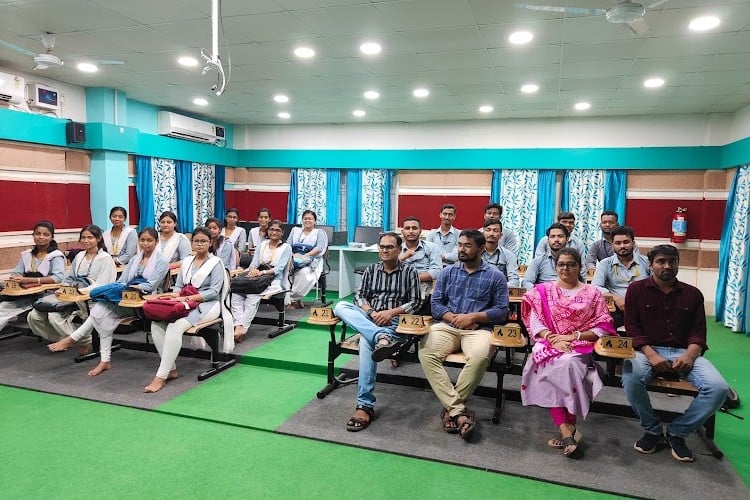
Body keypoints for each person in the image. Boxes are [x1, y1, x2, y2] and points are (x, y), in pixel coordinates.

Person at [622, 244, 729, 462]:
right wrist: (651, 355)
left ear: (678, 264)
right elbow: (632, 329)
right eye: (661, 261)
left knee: (718, 388)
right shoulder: (636, 290)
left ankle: (677, 432)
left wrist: (690, 355)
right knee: (631, 377)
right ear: (651, 265)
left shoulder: (693, 294)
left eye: (672, 261)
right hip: (646, 351)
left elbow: (699, 333)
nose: (667, 266)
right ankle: (652, 429)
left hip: (684, 351)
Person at [520, 248, 616, 458]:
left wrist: (573, 337)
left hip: (579, 344)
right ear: (555, 267)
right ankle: (567, 430)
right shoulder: (542, 291)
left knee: (568, 365)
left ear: (579, 267)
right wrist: (553, 338)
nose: (566, 268)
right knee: (547, 364)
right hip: (548, 342)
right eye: (561, 264)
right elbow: (534, 320)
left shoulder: (592, 293)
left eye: (571, 264)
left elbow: (603, 325)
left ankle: (567, 428)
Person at [419, 230, 508, 440]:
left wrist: (474, 317)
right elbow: (436, 304)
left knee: (479, 358)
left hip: (479, 330)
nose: (461, 249)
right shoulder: (447, 272)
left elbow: (502, 311)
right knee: (426, 353)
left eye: (467, 245)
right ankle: (458, 410)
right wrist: (453, 317)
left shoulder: (495, 276)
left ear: (481, 248)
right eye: (460, 245)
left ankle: (452, 410)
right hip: (447, 326)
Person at [47, 227, 169, 376]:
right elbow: (123, 280)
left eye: (150, 240)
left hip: (144, 301)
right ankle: (104, 361)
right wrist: (126, 287)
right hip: (125, 297)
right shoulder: (134, 259)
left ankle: (74, 339)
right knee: (99, 311)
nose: (146, 243)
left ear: (156, 242)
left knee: (103, 302)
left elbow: (150, 286)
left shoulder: (162, 262)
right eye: (142, 240)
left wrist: (130, 287)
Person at [333, 232, 421, 432]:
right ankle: (380, 336)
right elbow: (360, 297)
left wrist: (390, 313)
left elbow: (416, 302)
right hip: (371, 318)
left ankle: (364, 405)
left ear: (399, 250)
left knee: (366, 342)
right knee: (341, 307)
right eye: (382, 246)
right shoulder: (371, 270)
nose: (384, 250)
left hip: (396, 322)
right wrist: (372, 313)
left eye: (389, 247)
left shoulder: (410, 272)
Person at [144, 227, 229, 393]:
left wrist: (186, 298)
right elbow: (179, 285)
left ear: (210, 243)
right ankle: (171, 369)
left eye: (203, 241)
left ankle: (160, 376)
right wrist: (174, 295)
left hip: (208, 305)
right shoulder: (188, 261)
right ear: (192, 243)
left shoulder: (216, 263)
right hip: (185, 302)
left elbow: (213, 292)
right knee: (156, 324)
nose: (199, 244)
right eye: (196, 241)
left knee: (175, 326)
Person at [27, 225, 117, 351]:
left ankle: (83, 341)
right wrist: (63, 288)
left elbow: (104, 285)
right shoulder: (80, 256)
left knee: (54, 317)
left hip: (91, 299)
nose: (86, 240)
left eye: (90, 237)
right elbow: (69, 277)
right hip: (72, 296)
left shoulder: (105, 258)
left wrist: (79, 292)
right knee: (33, 316)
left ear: (98, 239)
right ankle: (76, 340)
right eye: (83, 237)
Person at [230, 219, 292, 342]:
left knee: (252, 296)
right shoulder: (262, 244)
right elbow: (254, 263)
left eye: (277, 230)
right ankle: (238, 325)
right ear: (268, 231)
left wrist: (261, 272)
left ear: (282, 233)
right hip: (257, 278)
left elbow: (279, 269)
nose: (274, 232)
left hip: (274, 281)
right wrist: (253, 270)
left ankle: (244, 328)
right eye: (271, 229)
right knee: (236, 294)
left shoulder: (286, 247)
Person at [0, 221, 65, 332]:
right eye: (37, 234)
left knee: (3, 311)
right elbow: (16, 273)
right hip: (24, 293)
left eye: (46, 235)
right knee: (2, 308)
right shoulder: (27, 254)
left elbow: (57, 278)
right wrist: (15, 278)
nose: (41, 237)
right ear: (33, 235)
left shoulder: (56, 255)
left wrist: (27, 279)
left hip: (43, 295)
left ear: (52, 237)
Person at [592, 225, 650, 328]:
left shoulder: (646, 262)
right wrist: (616, 298)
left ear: (633, 243)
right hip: (616, 308)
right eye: (618, 243)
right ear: (612, 245)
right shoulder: (605, 264)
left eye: (626, 242)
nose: (622, 246)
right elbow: (596, 286)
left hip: (643, 307)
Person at [523, 223, 585, 290]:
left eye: (560, 236)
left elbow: (581, 282)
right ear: (548, 240)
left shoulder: (574, 262)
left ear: (567, 239)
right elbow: (526, 282)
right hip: (544, 297)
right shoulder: (538, 261)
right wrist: (540, 293)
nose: (556, 239)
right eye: (552, 236)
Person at [287, 210, 328, 308]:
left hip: (313, 260)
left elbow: (319, 248)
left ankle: (292, 299)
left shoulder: (319, 232)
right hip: (294, 258)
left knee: (304, 273)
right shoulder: (295, 230)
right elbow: (288, 245)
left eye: (310, 218)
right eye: (305, 218)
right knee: (285, 271)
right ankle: (295, 299)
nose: (307, 220)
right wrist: (293, 255)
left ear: (315, 221)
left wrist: (305, 256)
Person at [399, 216, 442, 311]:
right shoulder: (397, 250)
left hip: (424, 291)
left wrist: (413, 278)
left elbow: (437, 271)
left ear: (420, 231)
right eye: (407, 228)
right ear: (402, 232)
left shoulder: (432, 247)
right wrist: (402, 257)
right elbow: (388, 270)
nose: (411, 231)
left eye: (414, 228)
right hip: (400, 290)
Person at [481, 218, 520, 287]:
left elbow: (514, 283)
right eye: (488, 230)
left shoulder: (509, 256)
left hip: (499, 293)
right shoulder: (475, 253)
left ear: (501, 235)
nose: (491, 234)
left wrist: (493, 287)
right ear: (483, 232)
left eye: (495, 231)